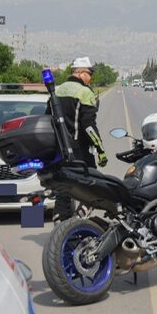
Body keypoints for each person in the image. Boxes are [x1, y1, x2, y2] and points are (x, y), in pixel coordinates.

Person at [48, 56, 108, 222]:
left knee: (63, 190)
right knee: (92, 187)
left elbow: (48, 118)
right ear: (81, 73)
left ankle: (60, 225)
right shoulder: (84, 92)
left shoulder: (57, 90)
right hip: (79, 151)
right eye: (90, 73)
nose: (91, 77)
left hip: (59, 149)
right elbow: (89, 126)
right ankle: (78, 224)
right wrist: (100, 149)